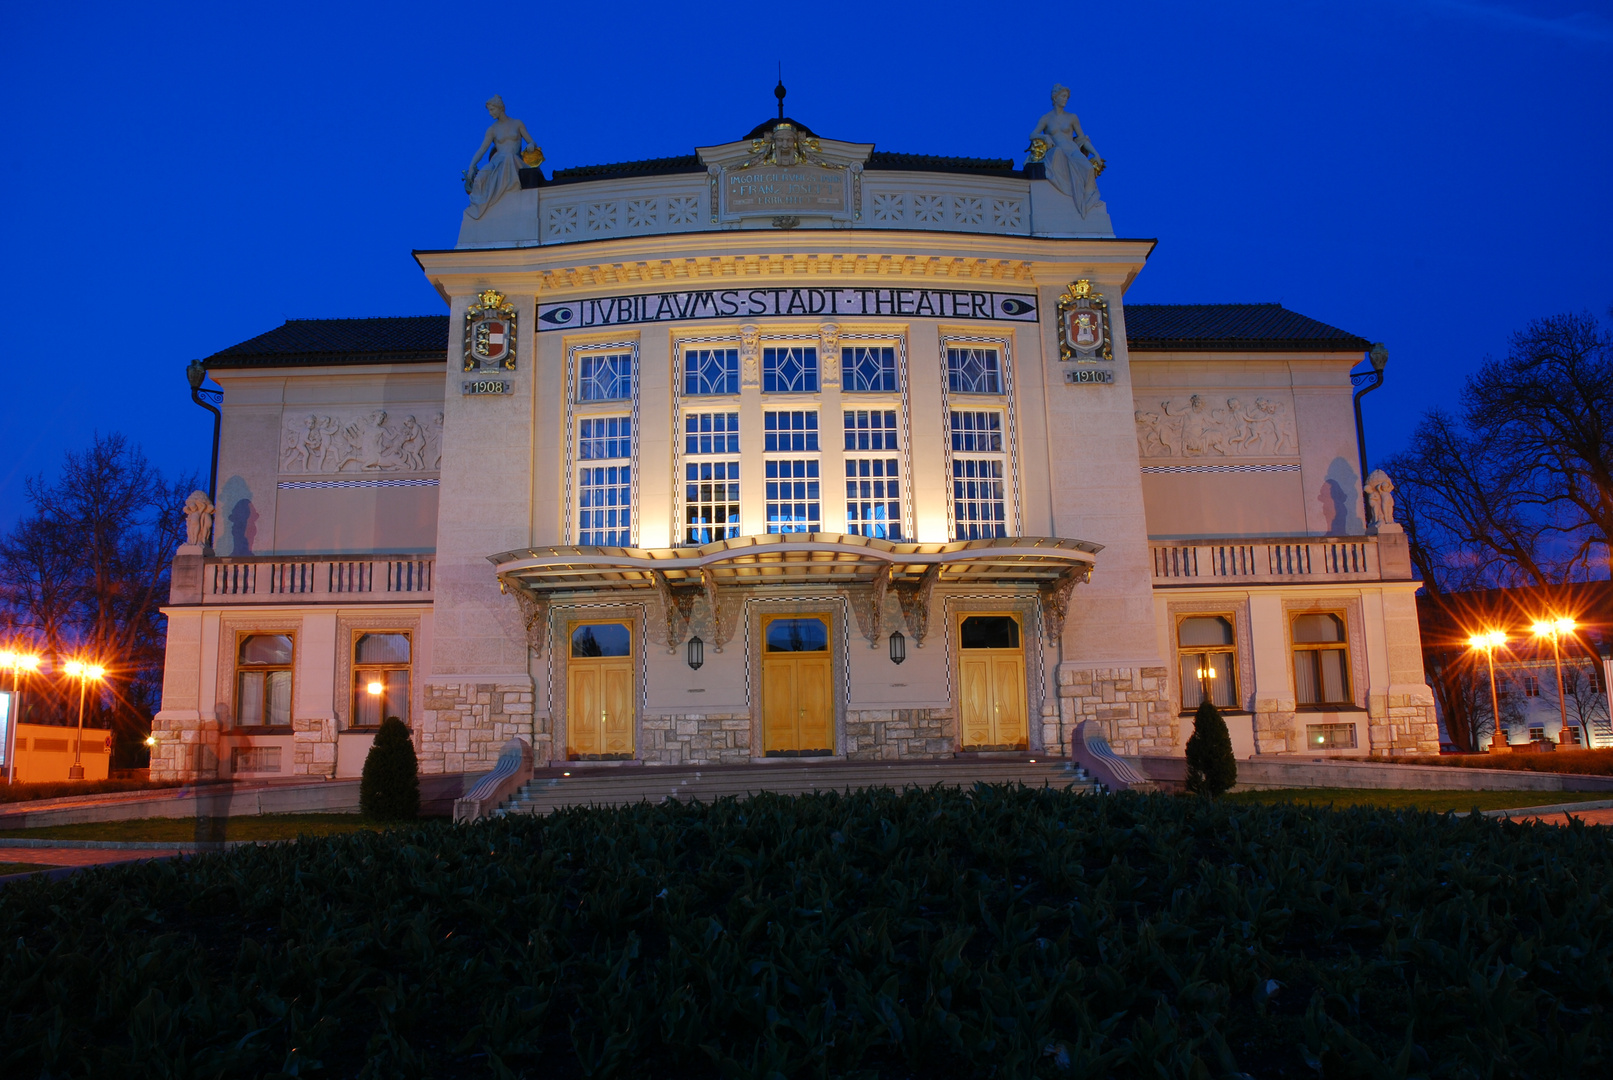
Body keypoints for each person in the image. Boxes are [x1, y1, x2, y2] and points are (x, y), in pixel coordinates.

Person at [1029, 85, 1106, 217]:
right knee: (1058, 156)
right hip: (1057, 151)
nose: (1065, 99)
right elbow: (1032, 135)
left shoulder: (1072, 117)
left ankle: (1087, 202)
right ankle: (1073, 199)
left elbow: (1082, 138)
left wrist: (1095, 153)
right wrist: (1044, 136)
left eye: (1067, 97)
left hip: (1072, 150)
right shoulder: (1046, 118)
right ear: (1055, 97)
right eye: (1063, 96)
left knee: (1088, 168)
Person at [463, 96, 539, 220]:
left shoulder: (517, 123)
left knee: (509, 159)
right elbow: (482, 149)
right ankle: (478, 210)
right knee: (480, 178)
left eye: (492, 109)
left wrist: (531, 145)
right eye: (489, 110)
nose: (490, 113)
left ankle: (505, 199)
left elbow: (531, 141)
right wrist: (471, 166)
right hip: (497, 161)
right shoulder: (492, 129)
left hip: (514, 160)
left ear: (500, 108)